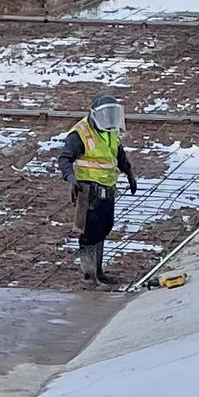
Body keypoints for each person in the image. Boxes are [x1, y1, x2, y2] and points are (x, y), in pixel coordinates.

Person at [57, 92, 138, 285]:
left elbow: (118, 154)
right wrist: (70, 177)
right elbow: (64, 158)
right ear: (94, 114)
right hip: (88, 189)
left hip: (108, 187)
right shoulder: (80, 133)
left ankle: (99, 272)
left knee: (104, 228)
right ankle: (89, 277)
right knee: (90, 232)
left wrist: (129, 173)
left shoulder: (109, 130)